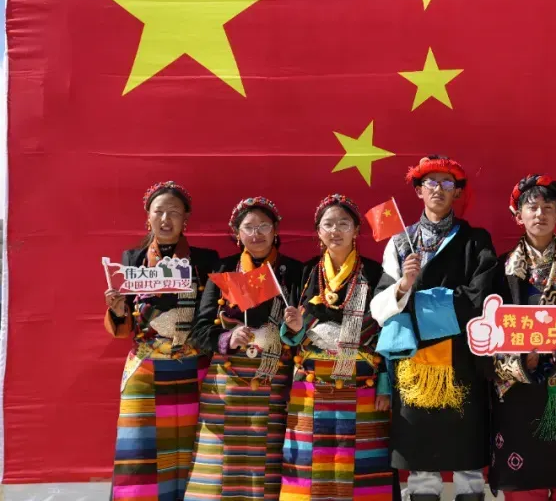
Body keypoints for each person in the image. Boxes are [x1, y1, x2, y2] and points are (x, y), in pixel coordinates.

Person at [370, 155, 498, 501]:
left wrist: (416, 303)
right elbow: (380, 308)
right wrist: (402, 286)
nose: (438, 189)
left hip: (462, 361)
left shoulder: (476, 241)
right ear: (418, 190)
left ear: (457, 192)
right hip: (414, 364)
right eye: (431, 182)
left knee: (467, 460)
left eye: (447, 183)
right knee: (421, 460)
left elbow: (480, 298)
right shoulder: (400, 242)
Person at [482, 175, 556, 501]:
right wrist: (523, 361)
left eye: (548, 207)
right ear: (518, 215)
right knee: (524, 491)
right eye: (532, 207)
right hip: (518, 400)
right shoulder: (499, 270)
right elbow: (485, 335)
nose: (540, 214)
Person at [105, 181, 220, 501]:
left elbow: (211, 315)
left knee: (194, 449)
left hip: (193, 369)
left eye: (174, 212)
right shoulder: (133, 259)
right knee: (141, 450)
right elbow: (125, 327)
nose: (166, 219)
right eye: (159, 212)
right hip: (146, 368)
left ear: (186, 219)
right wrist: (117, 311)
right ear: (148, 217)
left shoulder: (206, 261)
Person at [279, 194, 398, 501]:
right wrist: (294, 328)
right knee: (309, 463)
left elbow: (388, 330)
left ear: (356, 230)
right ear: (318, 231)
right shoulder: (306, 272)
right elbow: (293, 332)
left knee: (361, 463)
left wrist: (385, 384)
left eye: (344, 223)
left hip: (362, 383)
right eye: (328, 224)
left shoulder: (375, 272)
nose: (335, 230)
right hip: (312, 383)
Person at [186, 196, 305, 500]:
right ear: (237, 234)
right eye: (248, 227)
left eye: (263, 226)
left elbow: (306, 330)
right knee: (221, 464)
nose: (257, 233)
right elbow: (199, 330)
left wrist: (294, 327)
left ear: (275, 230)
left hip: (273, 380)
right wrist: (227, 338)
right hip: (227, 382)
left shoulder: (293, 271)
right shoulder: (224, 269)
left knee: (267, 462)